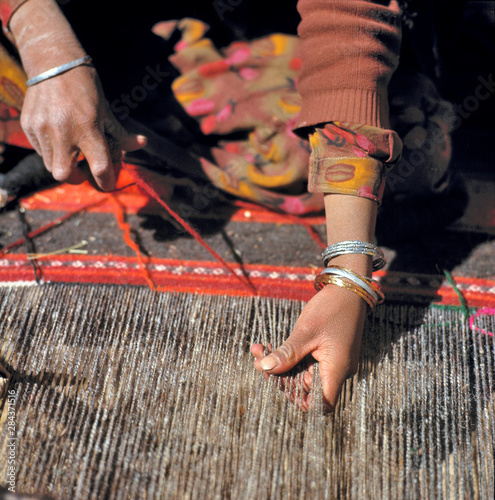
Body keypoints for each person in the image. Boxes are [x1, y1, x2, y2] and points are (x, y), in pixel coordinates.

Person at [0, 0, 456, 411]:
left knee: (411, 146)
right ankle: (82, 122)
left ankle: (111, 126)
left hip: (233, 32)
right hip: (56, 23)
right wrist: (50, 52)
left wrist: (348, 279)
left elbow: (347, 32)